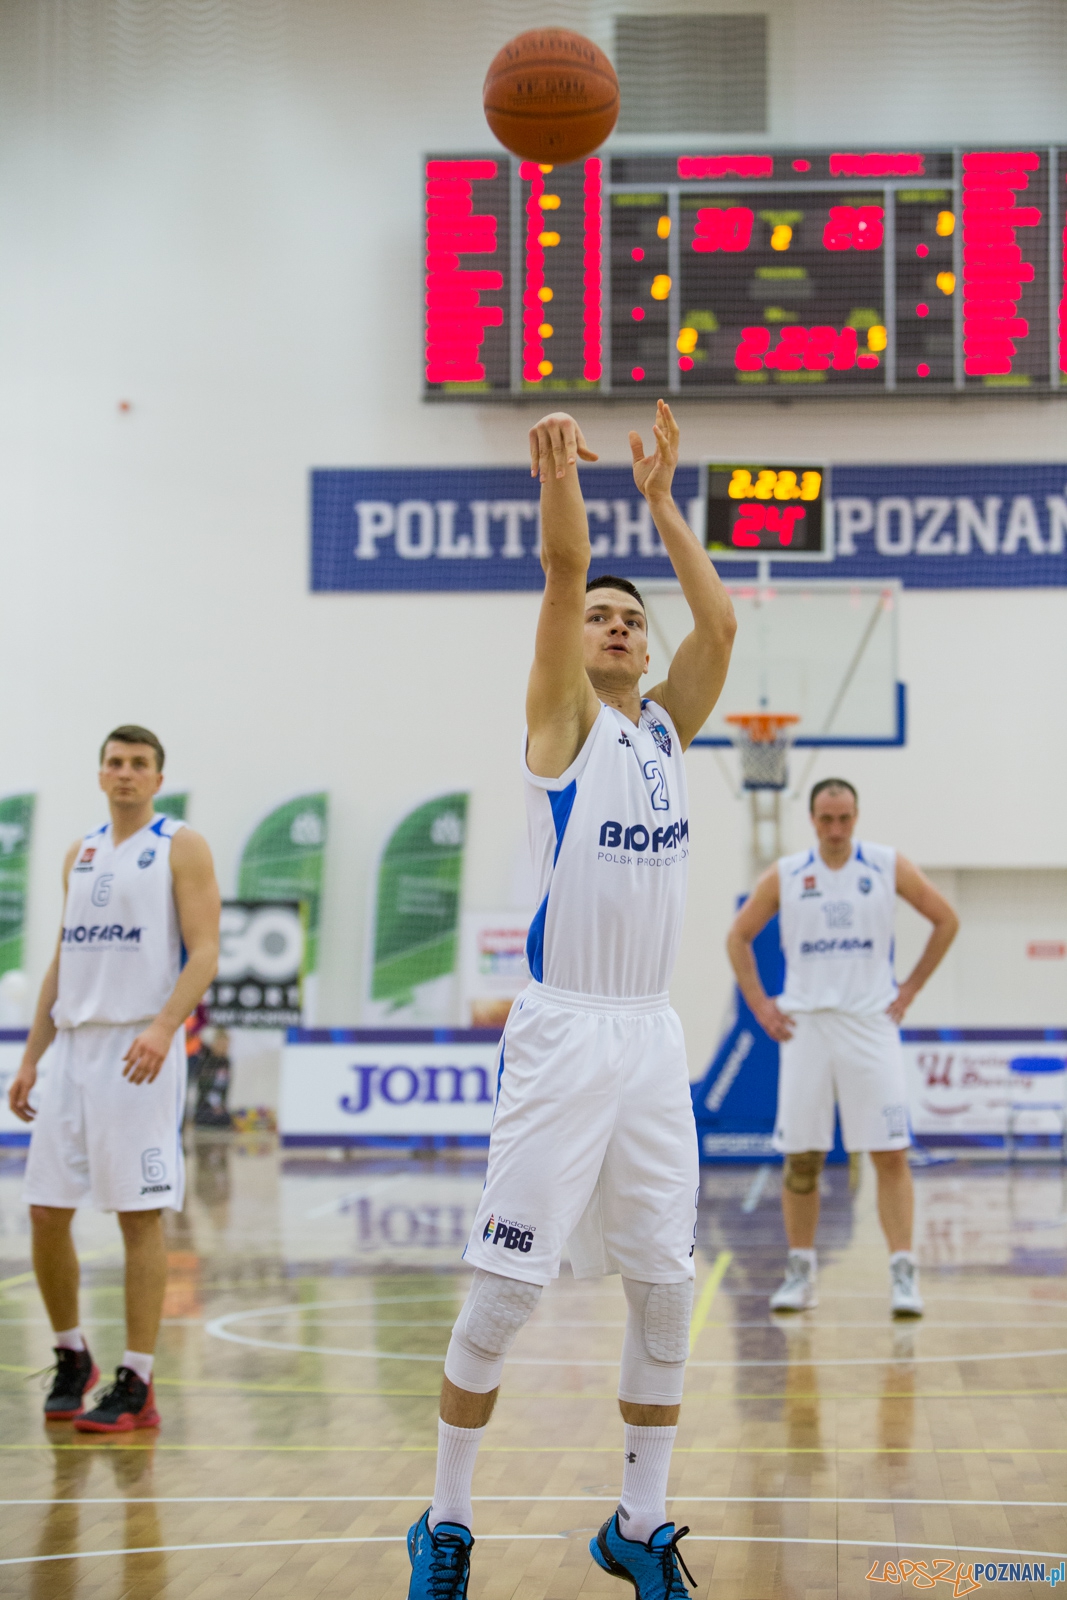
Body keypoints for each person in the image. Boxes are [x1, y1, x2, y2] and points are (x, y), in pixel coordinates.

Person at [406, 402, 736, 1600]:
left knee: (665, 1287)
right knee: (503, 1294)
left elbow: (721, 622)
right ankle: (444, 1521)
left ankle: (636, 1526)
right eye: (602, 614)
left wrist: (661, 505)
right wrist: (567, 493)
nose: (615, 624)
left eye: (629, 618)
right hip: (561, 1029)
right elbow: (559, 571)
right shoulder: (562, 723)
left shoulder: (667, 732)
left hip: (648, 1034)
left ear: (646, 650)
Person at [8, 725, 220, 1431]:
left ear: (158, 778)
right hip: (73, 1048)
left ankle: (138, 1378)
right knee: (45, 1211)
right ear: (100, 774)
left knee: (138, 1214)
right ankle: (73, 1354)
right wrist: (32, 1057)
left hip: (139, 1049)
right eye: (115, 762)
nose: (125, 772)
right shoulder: (81, 853)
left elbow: (205, 951)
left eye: (138, 764)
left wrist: (163, 1027)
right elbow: (62, 961)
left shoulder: (181, 845)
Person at [725, 777, 959, 1318]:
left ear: (856, 817)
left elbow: (946, 919)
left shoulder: (886, 865)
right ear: (812, 820)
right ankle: (800, 1272)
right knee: (802, 1158)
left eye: (844, 818)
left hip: (871, 1024)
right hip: (807, 1028)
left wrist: (911, 987)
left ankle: (903, 1273)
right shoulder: (786, 874)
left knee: (891, 1152)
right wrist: (760, 1004)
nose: (835, 828)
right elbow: (737, 936)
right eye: (826, 819)